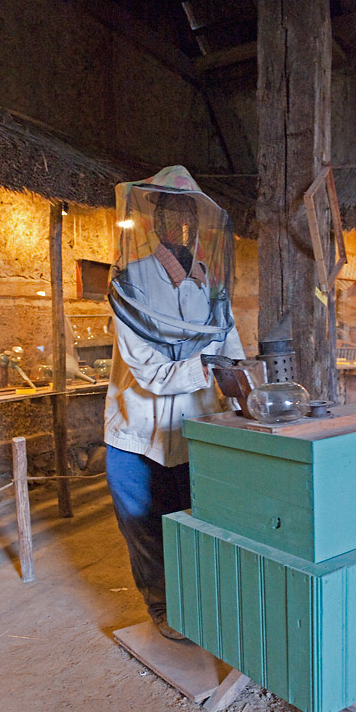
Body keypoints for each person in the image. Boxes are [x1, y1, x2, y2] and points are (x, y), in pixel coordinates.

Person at [104, 166, 244, 639]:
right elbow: (149, 370)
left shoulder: (210, 286)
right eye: (172, 214)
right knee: (146, 528)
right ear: (155, 221)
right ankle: (163, 608)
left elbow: (232, 351)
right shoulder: (131, 281)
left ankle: (199, 606)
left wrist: (246, 391)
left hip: (197, 430)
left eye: (190, 215)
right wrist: (207, 368)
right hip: (139, 434)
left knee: (197, 524)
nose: (183, 225)